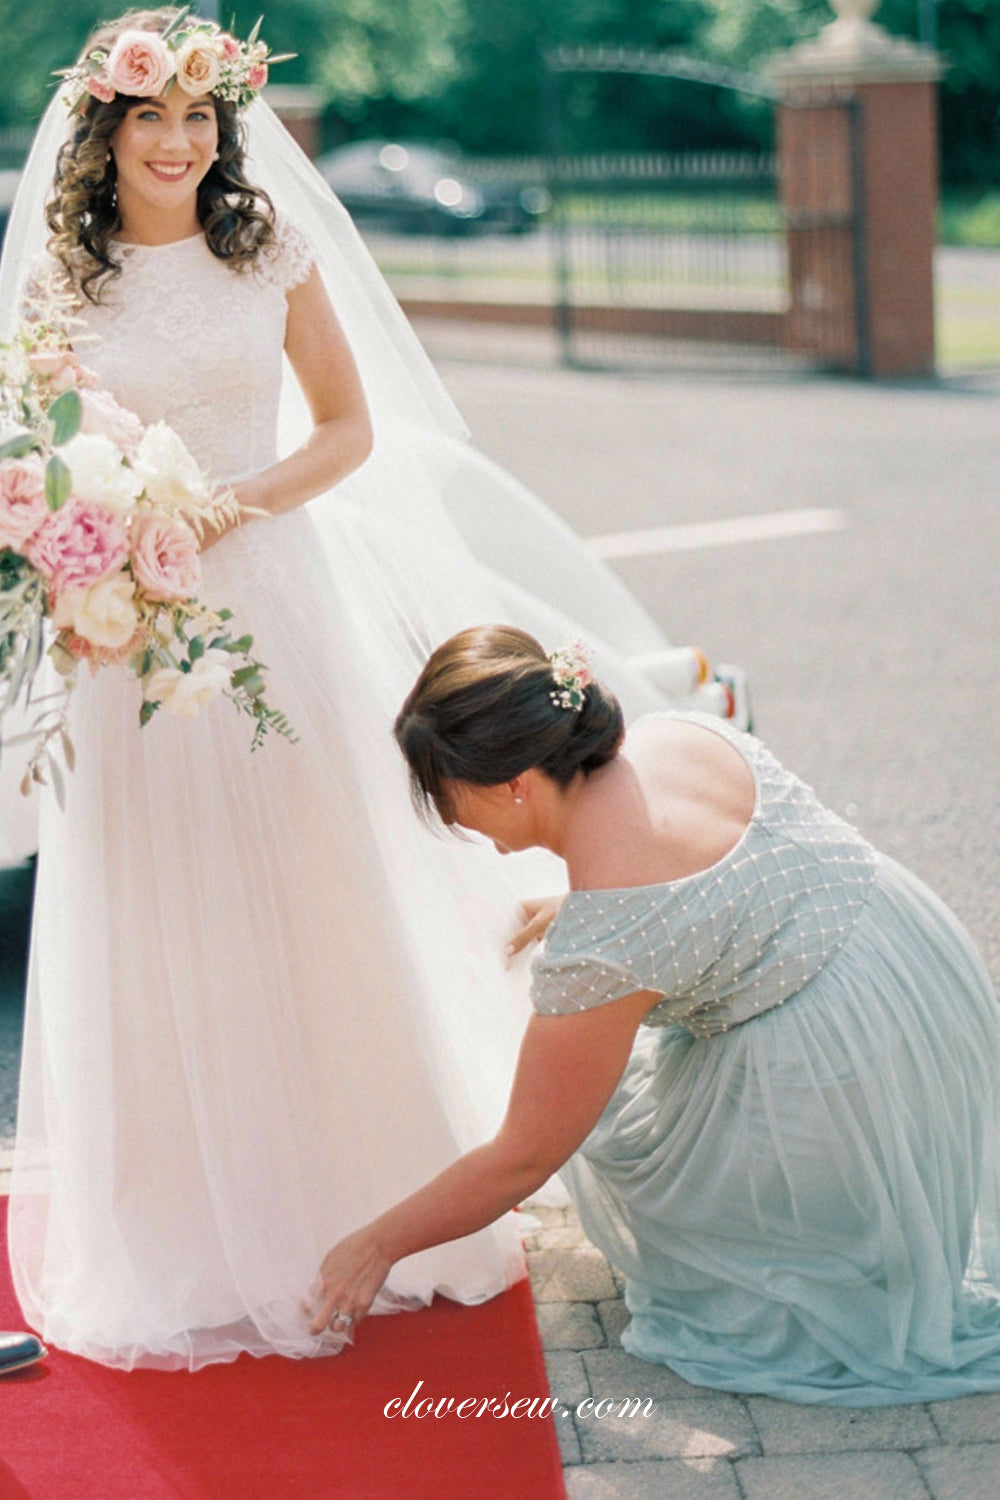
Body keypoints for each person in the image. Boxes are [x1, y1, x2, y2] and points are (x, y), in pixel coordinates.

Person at [0, 10, 743, 1370]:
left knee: (309, 884)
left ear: (224, 127)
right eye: (151, 117)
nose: (178, 141)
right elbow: (29, 450)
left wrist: (232, 506)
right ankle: (182, 1218)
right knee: (157, 902)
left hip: (276, 599)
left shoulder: (264, 249)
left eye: (198, 118)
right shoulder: (61, 279)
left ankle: (357, 1193)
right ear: (102, 130)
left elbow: (347, 429)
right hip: (132, 631)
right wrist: (82, 525)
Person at [311, 624, 1000, 1405]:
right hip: (916, 967)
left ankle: (835, 1223)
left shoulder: (611, 934)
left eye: (448, 796)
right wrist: (591, 904)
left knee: (636, 1157)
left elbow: (523, 1157)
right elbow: (710, 858)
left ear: (512, 784)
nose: (453, 820)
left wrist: (375, 1245)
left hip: (851, 1058)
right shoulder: (675, 734)